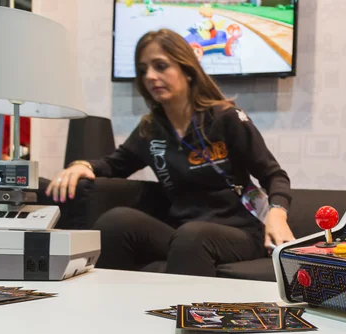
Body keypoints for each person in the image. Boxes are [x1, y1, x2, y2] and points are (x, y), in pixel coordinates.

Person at [45, 28, 295, 277]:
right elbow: (114, 164)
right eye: (143, 70)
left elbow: (274, 175)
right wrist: (82, 166)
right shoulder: (150, 129)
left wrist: (277, 214)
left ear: (187, 70)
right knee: (115, 222)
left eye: (161, 66)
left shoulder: (225, 118)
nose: (151, 76)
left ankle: (181, 316)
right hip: (183, 231)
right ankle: (108, 309)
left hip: (239, 232)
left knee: (193, 235)